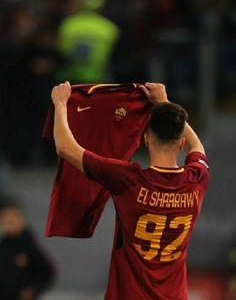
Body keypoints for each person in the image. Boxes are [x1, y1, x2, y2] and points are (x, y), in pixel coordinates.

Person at [51, 81, 209, 300]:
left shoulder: (128, 180)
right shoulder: (197, 179)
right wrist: (163, 102)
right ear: (181, 143)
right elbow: (198, 147)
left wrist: (60, 104)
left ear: (145, 139)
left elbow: (65, 147)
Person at [0, 201, 55, 300]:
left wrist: (32, 290)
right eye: (7, 217)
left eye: (15, 216)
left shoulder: (29, 247)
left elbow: (48, 272)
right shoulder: (2, 246)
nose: (11, 220)